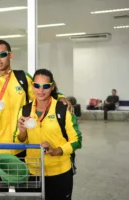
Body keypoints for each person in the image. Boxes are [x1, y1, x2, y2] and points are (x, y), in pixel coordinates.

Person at [0, 40, 71, 192]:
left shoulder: (23, 78)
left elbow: (42, 93)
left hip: (22, 150)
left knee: (26, 195)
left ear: (10, 56)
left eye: (2, 54)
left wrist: (61, 97)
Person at [16, 69, 82, 200]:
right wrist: (22, 132)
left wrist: (56, 150)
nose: (40, 90)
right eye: (36, 85)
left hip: (60, 172)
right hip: (34, 171)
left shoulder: (63, 109)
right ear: (32, 86)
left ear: (52, 86)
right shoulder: (25, 110)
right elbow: (19, 140)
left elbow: (77, 140)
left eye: (45, 86)